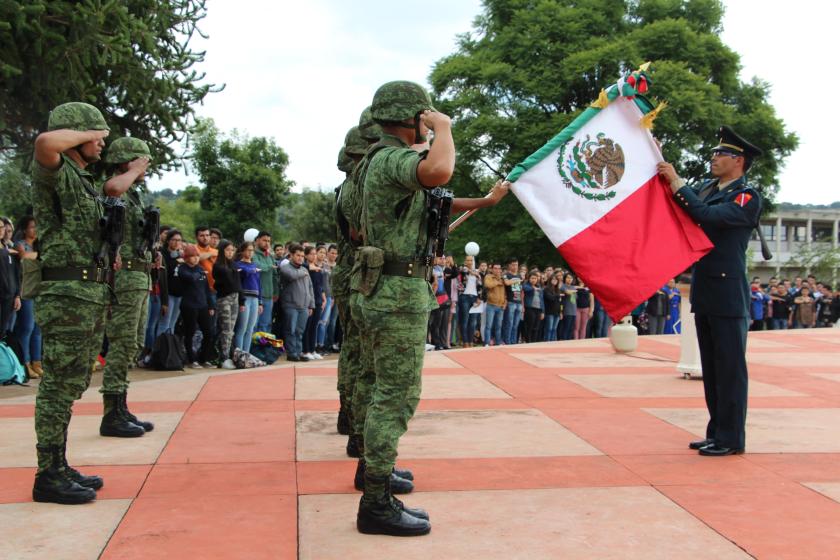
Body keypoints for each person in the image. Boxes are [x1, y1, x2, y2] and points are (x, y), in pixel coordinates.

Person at [351, 80, 508, 535]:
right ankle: (376, 502)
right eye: (424, 115)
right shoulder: (391, 159)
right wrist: (443, 129)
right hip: (397, 293)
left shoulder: (373, 164)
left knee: (382, 390)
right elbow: (438, 172)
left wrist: (484, 200)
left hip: (386, 288)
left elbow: (430, 197)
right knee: (395, 398)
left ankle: (376, 483)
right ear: (412, 118)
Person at [29, 102, 132, 504]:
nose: (103, 140)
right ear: (79, 134)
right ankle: (47, 474)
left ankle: (58, 464)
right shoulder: (54, 169)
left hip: (88, 292)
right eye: (97, 134)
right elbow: (44, 142)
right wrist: (88, 131)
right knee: (57, 385)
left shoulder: (82, 179)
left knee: (72, 383)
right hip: (67, 295)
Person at [658, 125, 763, 456]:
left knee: (730, 371)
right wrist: (656, 158)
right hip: (706, 289)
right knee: (713, 369)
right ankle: (716, 431)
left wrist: (677, 181)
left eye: (722, 154)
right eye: (715, 153)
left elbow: (705, 215)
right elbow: (681, 207)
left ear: (739, 161)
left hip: (728, 293)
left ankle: (731, 439)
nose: (714, 158)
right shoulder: (706, 187)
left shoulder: (746, 197)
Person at [99, 137, 157, 438]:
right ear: (127, 160)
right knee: (121, 342)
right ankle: (111, 412)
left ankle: (120, 406)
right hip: (124, 279)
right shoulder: (112, 185)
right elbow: (111, 190)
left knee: (133, 342)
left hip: (140, 275)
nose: (146, 166)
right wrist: (133, 170)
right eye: (141, 160)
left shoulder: (135, 193)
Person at [177, 244, 215, 367]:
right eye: (192, 256)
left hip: (202, 304)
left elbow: (207, 290)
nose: (196, 259)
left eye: (197, 256)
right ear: (187, 257)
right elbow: (190, 278)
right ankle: (191, 358)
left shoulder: (200, 269)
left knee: (208, 332)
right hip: (189, 305)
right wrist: (201, 273)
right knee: (190, 332)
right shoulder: (182, 268)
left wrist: (211, 306)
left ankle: (204, 358)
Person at [279, 243, 314, 362]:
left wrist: (311, 304)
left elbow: (310, 288)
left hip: (304, 305)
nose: (300, 258)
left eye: (302, 256)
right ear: (291, 255)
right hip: (291, 305)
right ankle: (291, 353)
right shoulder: (285, 268)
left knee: (299, 331)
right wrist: (305, 271)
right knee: (291, 330)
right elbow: (292, 276)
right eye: (298, 255)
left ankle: (299, 352)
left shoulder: (304, 269)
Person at [212, 239, 241, 369]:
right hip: (224, 298)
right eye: (227, 250)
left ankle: (228, 355)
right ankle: (223, 357)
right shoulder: (218, 266)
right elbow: (228, 281)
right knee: (226, 329)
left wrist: (242, 300)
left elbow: (238, 284)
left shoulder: (233, 264)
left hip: (235, 297)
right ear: (222, 251)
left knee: (231, 330)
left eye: (232, 250)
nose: (230, 252)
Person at [233, 241, 262, 354]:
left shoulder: (255, 266)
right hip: (244, 298)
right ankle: (239, 354)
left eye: (252, 250)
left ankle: (247, 354)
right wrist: (251, 270)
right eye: (248, 250)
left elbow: (259, 284)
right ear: (243, 251)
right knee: (242, 328)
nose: (250, 253)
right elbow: (243, 274)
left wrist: (260, 302)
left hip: (254, 298)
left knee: (250, 329)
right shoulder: (238, 265)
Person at [160, 229, 184, 333]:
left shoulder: (180, 256)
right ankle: (159, 348)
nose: (177, 242)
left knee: (172, 324)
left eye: (179, 240)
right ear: (168, 241)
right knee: (164, 323)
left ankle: (169, 348)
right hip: (168, 293)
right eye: (174, 240)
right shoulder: (163, 254)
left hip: (179, 293)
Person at [252, 231, 276, 333]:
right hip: (257, 296)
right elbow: (257, 266)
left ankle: (264, 347)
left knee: (266, 325)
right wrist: (270, 266)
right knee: (254, 325)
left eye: (269, 241)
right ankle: (253, 349)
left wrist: (276, 293)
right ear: (257, 240)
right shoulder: (253, 254)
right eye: (264, 240)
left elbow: (275, 275)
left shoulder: (270, 256)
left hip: (269, 296)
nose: (267, 243)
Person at [0, 216, 20, 335]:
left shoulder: (8, 248)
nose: (2, 230)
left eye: (2, 227)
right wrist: (5, 252)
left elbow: (15, 273)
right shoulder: (7, 251)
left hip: (9, 296)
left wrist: (17, 295)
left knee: (4, 331)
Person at [456, 255, 481, 348]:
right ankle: (465, 342)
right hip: (464, 297)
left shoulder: (477, 272)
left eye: (471, 260)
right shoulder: (462, 269)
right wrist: (472, 272)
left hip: (474, 297)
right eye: (468, 260)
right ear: (465, 261)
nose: (470, 262)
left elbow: (480, 285)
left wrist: (479, 298)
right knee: (465, 320)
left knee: (473, 322)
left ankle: (471, 341)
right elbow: (462, 269)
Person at [482, 263, 506, 346]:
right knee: (489, 325)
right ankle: (487, 343)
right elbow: (488, 285)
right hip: (491, 305)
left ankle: (498, 342)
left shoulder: (503, 278)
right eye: (495, 268)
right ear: (492, 269)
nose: (497, 270)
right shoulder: (489, 277)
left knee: (498, 326)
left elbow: (505, 293)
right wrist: (497, 282)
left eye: (499, 268)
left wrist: (505, 303)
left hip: (501, 306)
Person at [501, 258, 523, 344]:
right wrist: (516, 280)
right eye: (513, 265)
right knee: (509, 323)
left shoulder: (519, 275)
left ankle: (513, 341)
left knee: (515, 324)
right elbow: (506, 283)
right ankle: (507, 341)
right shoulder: (506, 274)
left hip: (519, 302)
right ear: (509, 265)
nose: (515, 267)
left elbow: (521, 290)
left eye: (516, 265)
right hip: (510, 301)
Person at [522, 269, 544, 343]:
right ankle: (528, 341)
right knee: (529, 326)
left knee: (536, 327)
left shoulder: (539, 287)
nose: (533, 280)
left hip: (538, 309)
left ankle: (534, 341)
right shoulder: (526, 285)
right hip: (529, 308)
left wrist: (543, 311)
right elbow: (525, 289)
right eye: (532, 278)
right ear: (529, 278)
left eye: (535, 278)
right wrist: (533, 288)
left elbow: (542, 300)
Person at [543, 272, 563, 341]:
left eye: (556, 280)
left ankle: (553, 342)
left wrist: (561, 312)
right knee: (549, 328)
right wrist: (558, 295)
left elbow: (560, 303)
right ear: (550, 280)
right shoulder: (546, 289)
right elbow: (550, 298)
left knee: (554, 329)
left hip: (557, 312)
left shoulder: (558, 290)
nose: (555, 281)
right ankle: (547, 342)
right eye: (553, 279)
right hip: (549, 312)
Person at [559, 273, 577, 340]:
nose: (569, 279)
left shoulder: (573, 287)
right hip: (566, 310)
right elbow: (568, 292)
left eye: (571, 278)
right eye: (568, 278)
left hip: (573, 310)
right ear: (565, 278)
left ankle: (568, 343)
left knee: (571, 329)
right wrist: (574, 291)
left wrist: (574, 290)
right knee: (565, 328)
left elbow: (575, 298)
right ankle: (563, 342)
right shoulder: (563, 286)